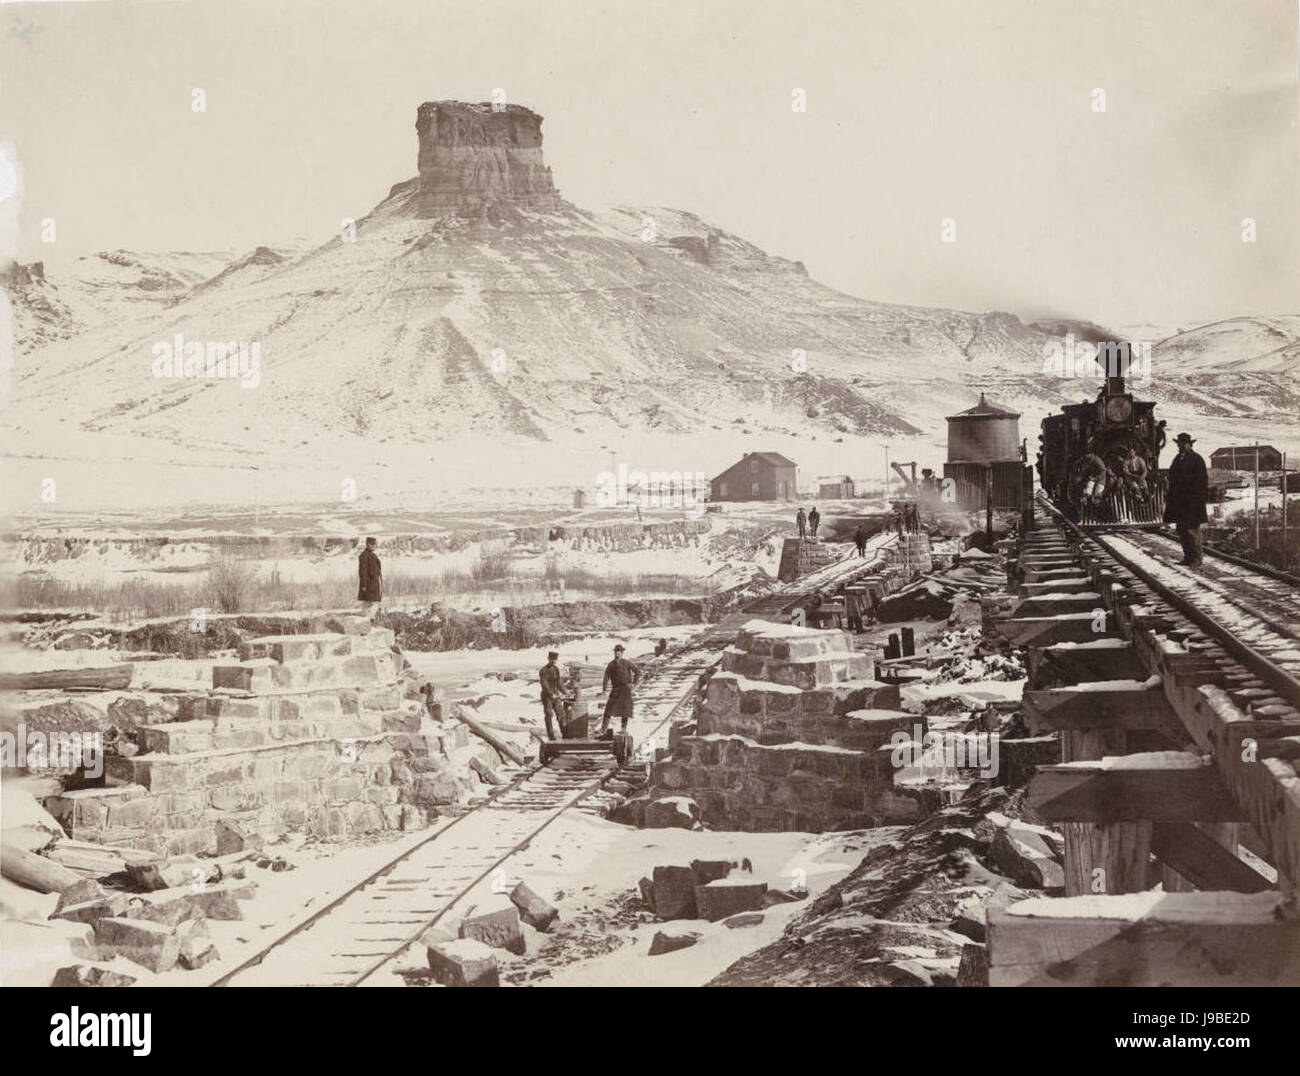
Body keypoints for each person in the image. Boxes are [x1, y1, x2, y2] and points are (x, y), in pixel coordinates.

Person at [1164, 432, 1208, 567]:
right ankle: (1188, 557)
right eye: (1179, 444)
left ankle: (1197, 558)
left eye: (1183, 443)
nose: (1181, 446)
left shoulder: (1197, 459)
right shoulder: (1177, 459)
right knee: (1182, 530)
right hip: (1179, 502)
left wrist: (1195, 498)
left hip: (1192, 502)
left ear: (1189, 444)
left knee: (1192, 530)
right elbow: (1172, 479)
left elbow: (1202, 481)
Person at [600, 643, 641, 736]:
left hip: (625, 689)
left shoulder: (627, 663)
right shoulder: (611, 664)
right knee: (608, 710)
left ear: (622, 653)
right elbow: (606, 677)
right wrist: (604, 689)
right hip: (615, 690)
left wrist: (634, 683)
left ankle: (623, 728)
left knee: (625, 711)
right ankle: (603, 729)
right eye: (616, 651)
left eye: (619, 652)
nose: (617, 653)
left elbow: (638, 672)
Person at [538, 651, 567, 741]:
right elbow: (544, 684)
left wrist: (565, 691)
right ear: (548, 659)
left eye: (555, 660)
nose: (553, 661)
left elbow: (559, 682)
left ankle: (565, 734)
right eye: (552, 660)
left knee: (561, 714)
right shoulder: (543, 671)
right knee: (549, 715)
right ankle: (551, 736)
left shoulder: (556, 669)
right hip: (547, 697)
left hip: (556, 696)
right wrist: (551, 694)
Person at [357, 537, 382, 619]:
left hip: (373, 583)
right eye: (373, 544)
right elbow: (362, 571)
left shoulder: (372, 555)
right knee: (370, 602)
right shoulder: (364, 556)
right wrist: (364, 585)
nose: (374, 546)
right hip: (369, 583)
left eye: (375, 544)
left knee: (371, 602)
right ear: (368, 545)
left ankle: (367, 620)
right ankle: (368, 620)